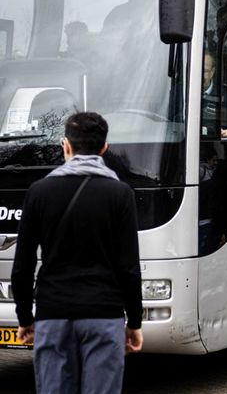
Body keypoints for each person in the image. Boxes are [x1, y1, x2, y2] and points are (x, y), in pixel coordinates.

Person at [12, 112, 143, 393]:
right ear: (104, 149)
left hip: (53, 314)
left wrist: (25, 318)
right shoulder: (120, 194)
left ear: (66, 146)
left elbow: (22, 266)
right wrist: (134, 322)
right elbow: (129, 267)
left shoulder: (38, 192)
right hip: (104, 315)